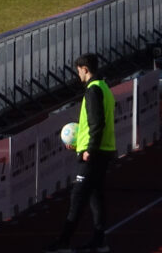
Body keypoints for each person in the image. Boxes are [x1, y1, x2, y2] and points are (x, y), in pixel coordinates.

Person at [48, 52, 114, 253]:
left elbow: (96, 123)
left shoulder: (93, 91)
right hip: (102, 150)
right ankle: (99, 240)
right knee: (96, 196)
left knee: (78, 196)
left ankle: (64, 242)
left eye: (79, 72)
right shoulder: (104, 88)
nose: (78, 76)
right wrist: (80, 145)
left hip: (94, 153)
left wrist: (88, 150)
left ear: (86, 70)